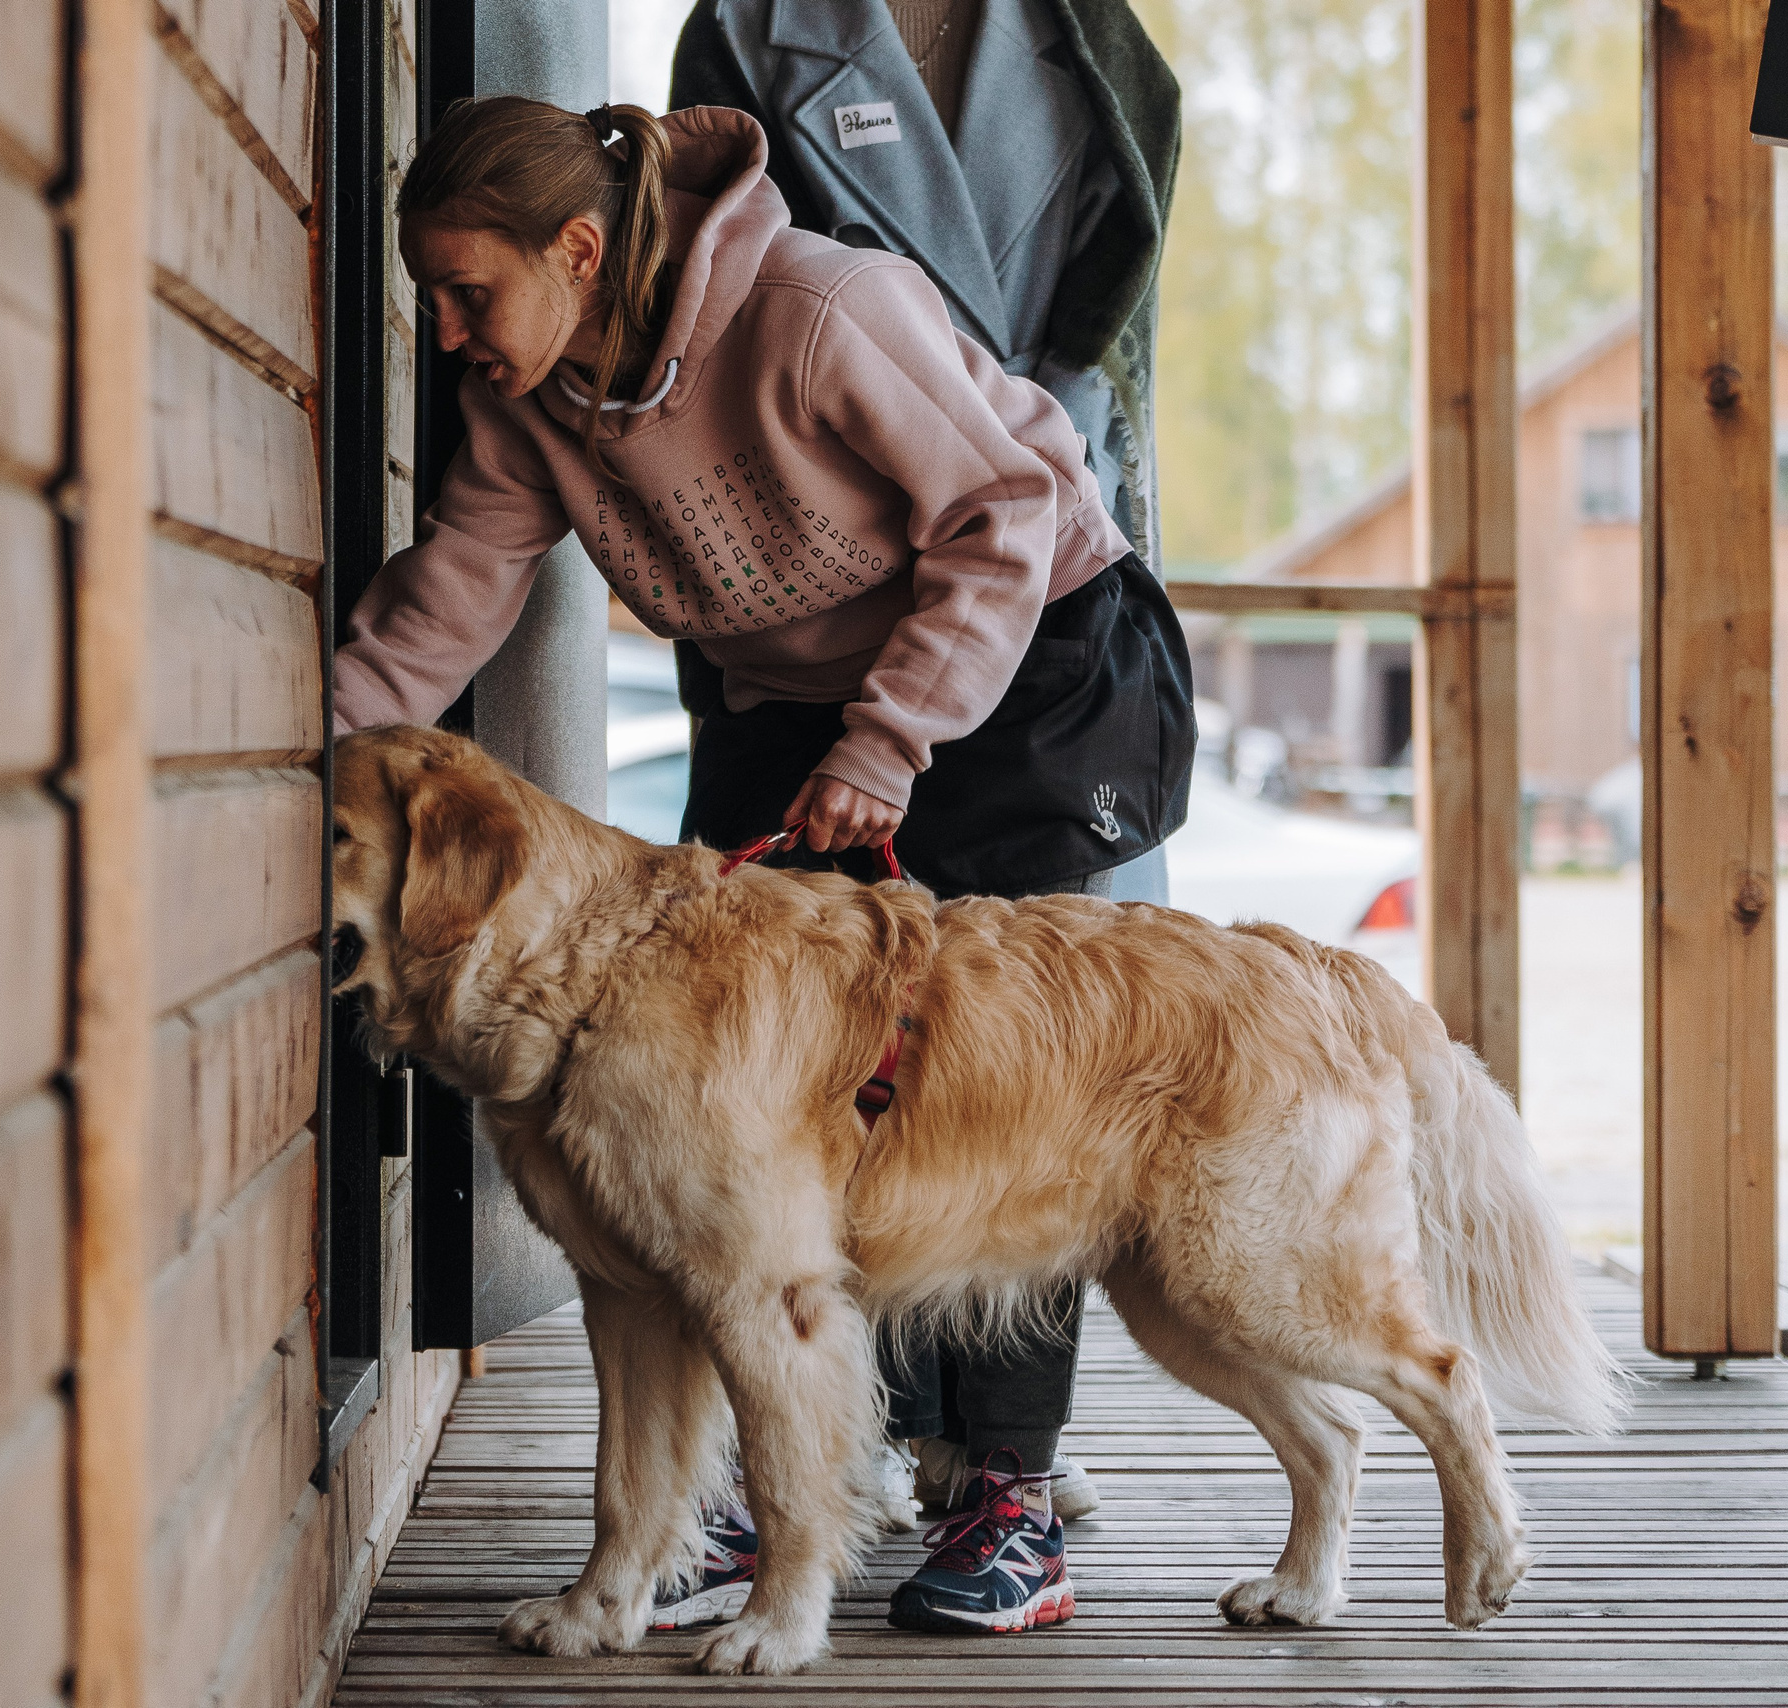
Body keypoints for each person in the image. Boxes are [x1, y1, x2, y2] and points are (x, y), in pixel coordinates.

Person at [331, 95, 1191, 1636]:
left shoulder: (817, 311)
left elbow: (1003, 515)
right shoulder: (535, 399)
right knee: (737, 1103)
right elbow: (450, 595)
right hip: (786, 694)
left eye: (472, 290)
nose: (447, 328)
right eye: (431, 294)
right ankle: (748, 1493)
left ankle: (1002, 1493)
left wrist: (891, 739)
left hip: (1026, 651)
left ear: (581, 251)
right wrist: (294, 760)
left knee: (1000, 1081)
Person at [669, 0, 1181, 1622]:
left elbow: (1120, 316)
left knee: (1025, 1060)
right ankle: (828, 1453)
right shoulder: (746, 30)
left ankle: (1003, 1481)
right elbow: (687, 289)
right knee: (811, 1061)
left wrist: (1086, 503)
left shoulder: (1095, 41)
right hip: (811, 588)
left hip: (1036, 569)